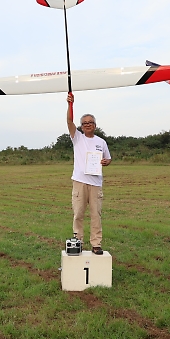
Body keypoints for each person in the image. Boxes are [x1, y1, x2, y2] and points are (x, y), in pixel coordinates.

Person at [66, 93, 112, 254]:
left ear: (95, 125)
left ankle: (96, 244)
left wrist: (106, 162)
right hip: (79, 181)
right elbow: (69, 121)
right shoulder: (77, 138)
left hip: (96, 184)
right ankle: (77, 241)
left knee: (95, 215)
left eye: (90, 122)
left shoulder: (101, 142)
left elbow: (108, 158)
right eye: (84, 123)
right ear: (81, 126)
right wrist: (70, 105)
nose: (87, 125)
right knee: (78, 213)